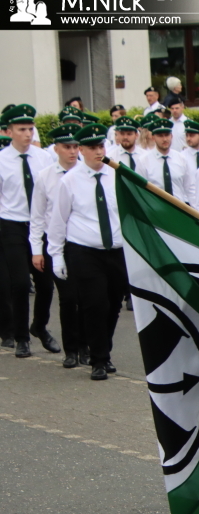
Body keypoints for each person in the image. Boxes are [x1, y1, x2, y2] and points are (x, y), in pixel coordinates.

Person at [47, 123, 128, 381]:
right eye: (92, 147)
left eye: (101, 146)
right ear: (81, 150)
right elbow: (58, 220)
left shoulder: (117, 175)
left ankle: (104, 350)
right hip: (84, 250)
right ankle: (99, 360)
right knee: (95, 305)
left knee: (113, 305)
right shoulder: (69, 181)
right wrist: (56, 255)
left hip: (115, 250)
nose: (98, 152)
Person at [0, 104, 58, 358]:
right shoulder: (2, 160)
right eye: (21, 129)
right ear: (9, 131)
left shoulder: (44, 158)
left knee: (46, 284)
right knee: (21, 284)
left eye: (30, 129)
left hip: (40, 226)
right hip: (12, 225)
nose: (27, 134)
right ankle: (21, 337)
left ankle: (39, 327)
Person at [30, 123, 85, 367]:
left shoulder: (86, 172)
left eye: (75, 146)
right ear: (56, 149)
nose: (72, 151)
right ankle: (71, 350)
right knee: (68, 297)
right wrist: (36, 250)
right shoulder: (45, 176)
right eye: (66, 147)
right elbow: (37, 215)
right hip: (55, 243)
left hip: (81, 242)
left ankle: (85, 346)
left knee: (85, 297)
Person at [146, 117, 194, 204]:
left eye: (167, 135)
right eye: (160, 136)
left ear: (171, 136)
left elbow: (190, 189)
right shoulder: (144, 161)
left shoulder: (181, 159)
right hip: (156, 208)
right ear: (153, 138)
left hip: (179, 208)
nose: (165, 139)